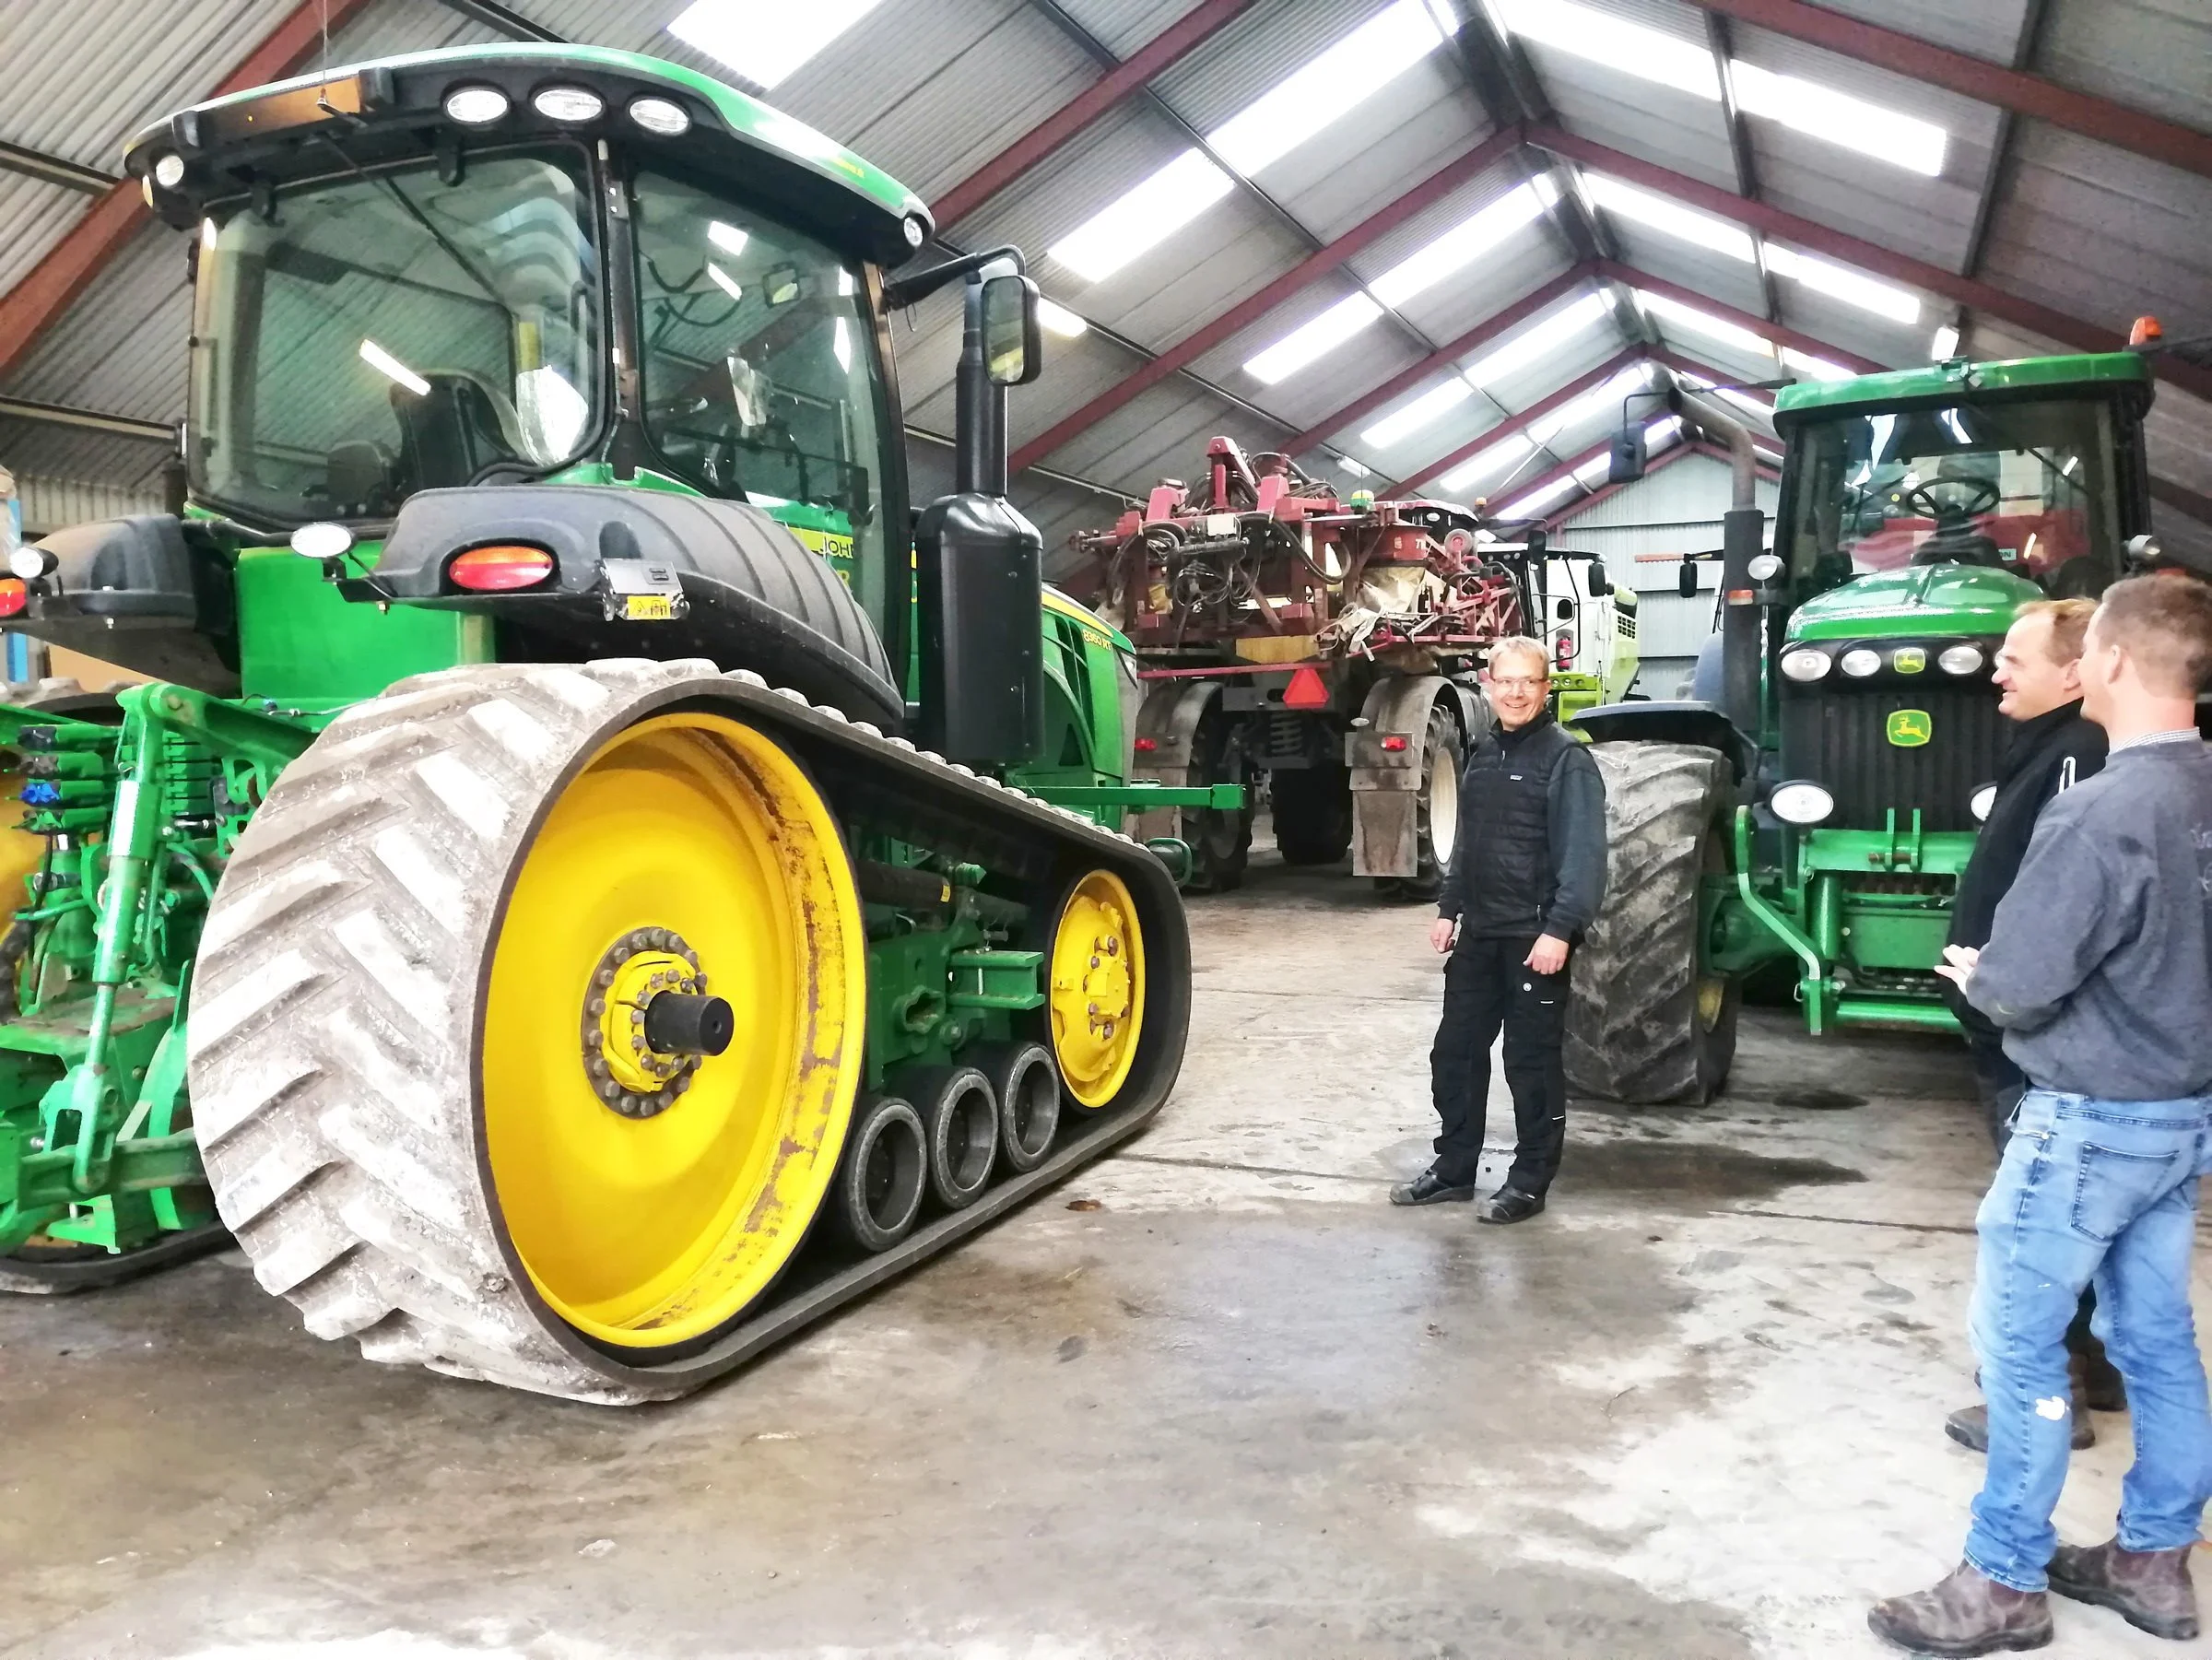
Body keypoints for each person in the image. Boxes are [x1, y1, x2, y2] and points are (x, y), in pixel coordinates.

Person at [1869, 575, 2212, 1656]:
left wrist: (1983, 976)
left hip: (2086, 1119)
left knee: (2019, 1353)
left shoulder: (2102, 807)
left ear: (2107, 662)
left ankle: (2004, 1577)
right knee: (2158, 1341)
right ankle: (2155, 1562)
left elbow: (2020, 982)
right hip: (2179, 1117)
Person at [1938, 599, 2120, 1456]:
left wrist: (2004, 992)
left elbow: (2065, 908)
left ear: (2076, 672)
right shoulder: (2049, 750)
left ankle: (2056, 1389)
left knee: (2042, 1219)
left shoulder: (2079, 757)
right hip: (2014, 1019)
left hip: (2030, 1035)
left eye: (2014, 658)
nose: (1996, 670)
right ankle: (2097, 1363)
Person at [1392, 636, 1606, 1224]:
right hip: (1479, 935)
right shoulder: (1484, 755)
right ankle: (1455, 1169)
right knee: (1455, 1054)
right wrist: (1447, 907)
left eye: (1527, 681)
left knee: (1529, 1064)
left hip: (1534, 939)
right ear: (1488, 684)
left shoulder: (1566, 760)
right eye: (1504, 680)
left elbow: (1584, 858)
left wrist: (1560, 931)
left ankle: (1530, 1181)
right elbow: (1467, 844)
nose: (1515, 692)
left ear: (1545, 687)